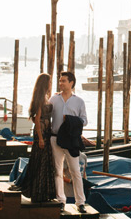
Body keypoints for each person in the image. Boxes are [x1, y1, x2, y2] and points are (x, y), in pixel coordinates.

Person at [49, 71, 88, 211]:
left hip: (71, 140)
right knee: (57, 171)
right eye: (60, 81)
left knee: (75, 171)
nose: (61, 83)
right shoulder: (53, 99)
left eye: (63, 81)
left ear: (71, 83)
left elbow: (84, 121)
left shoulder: (79, 101)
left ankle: (80, 202)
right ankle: (61, 200)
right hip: (55, 138)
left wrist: (70, 121)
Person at [21, 73, 57, 203]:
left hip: (46, 132)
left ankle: (42, 192)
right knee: (41, 161)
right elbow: (37, 120)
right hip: (41, 134)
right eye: (49, 82)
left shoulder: (46, 97)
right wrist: (40, 138)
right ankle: (37, 192)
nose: (50, 84)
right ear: (44, 83)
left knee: (45, 162)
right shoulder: (41, 98)